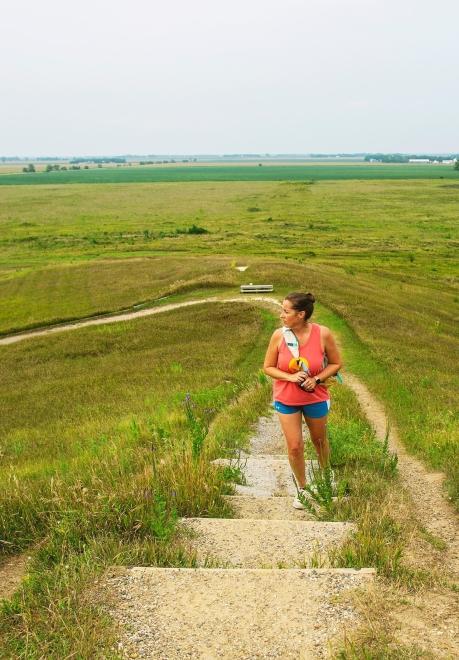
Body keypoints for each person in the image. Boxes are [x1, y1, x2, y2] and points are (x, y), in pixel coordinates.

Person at [263, 292, 342, 509]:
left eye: (285, 311)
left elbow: (335, 364)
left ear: (301, 314)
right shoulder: (279, 336)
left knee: (319, 441)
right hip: (287, 399)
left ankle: (326, 479)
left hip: (315, 397)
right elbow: (268, 367)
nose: (281, 315)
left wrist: (316, 379)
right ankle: (304, 489)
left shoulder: (322, 334)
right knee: (295, 447)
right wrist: (290, 377)